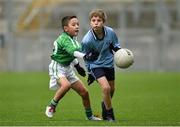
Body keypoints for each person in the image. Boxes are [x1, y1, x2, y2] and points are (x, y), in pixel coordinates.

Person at [45, 15, 101, 121]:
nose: (77, 27)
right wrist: (85, 56)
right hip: (57, 67)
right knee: (66, 85)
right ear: (66, 28)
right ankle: (51, 106)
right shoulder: (64, 39)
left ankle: (90, 116)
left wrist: (77, 66)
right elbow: (72, 51)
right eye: (73, 24)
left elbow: (71, 54)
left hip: (68, 68)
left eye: (78, 24)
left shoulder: (73, 38)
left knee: (84, 92)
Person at [81, 9, 121, 122]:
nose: (96, 22)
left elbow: (115, 46)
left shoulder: (111, 32)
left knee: (111, 90)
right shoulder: (86, 40)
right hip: (96, 66)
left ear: (103, 22)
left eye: (99, 20)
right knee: (106, 88)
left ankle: (105, 105)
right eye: (93, 20)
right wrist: (89, 72)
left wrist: (121, 53)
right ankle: (109, 115)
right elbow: (85, 57)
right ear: (90, 22)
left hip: (109, 64)